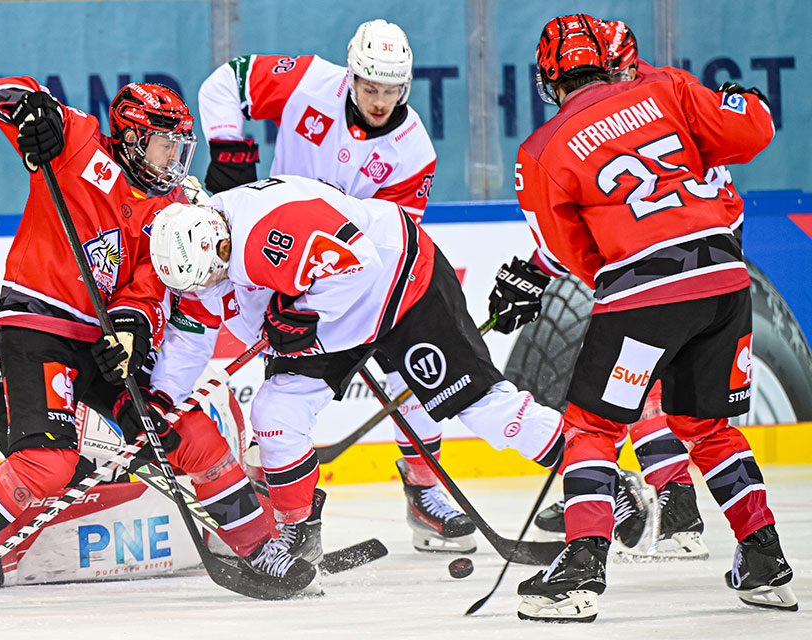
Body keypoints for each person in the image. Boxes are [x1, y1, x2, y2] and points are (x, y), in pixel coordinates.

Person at [0, 77, 315, 608]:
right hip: (39, 330)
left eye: (180, 144)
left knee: (190, 434)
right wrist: (30, 110)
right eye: (166, 141)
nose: (175, 155)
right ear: (131, 137)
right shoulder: (78, 142)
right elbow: (1, 94)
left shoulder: (168, 205)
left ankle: (259, 547)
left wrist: (130, 332)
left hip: (103, 343)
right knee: (46, 464)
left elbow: (147, 285)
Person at [491, 13, 795, 622]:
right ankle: (764, 559)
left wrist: (543, 275)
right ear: (612, 60)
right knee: (705, 425)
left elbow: (579, 254)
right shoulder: (669, 89)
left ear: (550, 79)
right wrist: (746, 101)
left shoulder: (541, 150)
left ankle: (579, 571)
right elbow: (752, 131)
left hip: (646, 291)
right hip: (726, 279)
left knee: (591, 429)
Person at [145, 174, 566, 566]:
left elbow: (358, 262)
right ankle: (298, 533)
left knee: (485, 412)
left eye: (218, 270)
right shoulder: (201, 264)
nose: (213, 284)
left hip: (401, 285)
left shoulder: (266, 230)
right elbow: (189, 339)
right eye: (203, 282)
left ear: (219, 240)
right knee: (276, 412)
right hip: (324, 311)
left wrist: (305, 315)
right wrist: (159, 402)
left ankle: (596, 476)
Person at [197, 19, 475, 553]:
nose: (379, 100)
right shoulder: (308, 80)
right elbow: (224, 84)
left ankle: (424, 492)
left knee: (411, 375)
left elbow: (393, 238)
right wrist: (229, 146)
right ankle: (275, 502)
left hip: (353, 273)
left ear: (407, 85)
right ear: (351, 75)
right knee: (282, 393)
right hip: (276, 258)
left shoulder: (413, 150)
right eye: (370, 87)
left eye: (392, 90)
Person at [532, 19, 736, 560]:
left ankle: (669, 508)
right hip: (717, 271)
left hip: (653, 279)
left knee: (621, 405)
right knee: (685, 414)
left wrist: (548, 269)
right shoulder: (667, 104)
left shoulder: (628, 110)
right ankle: (690, 515)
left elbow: (579, 235)